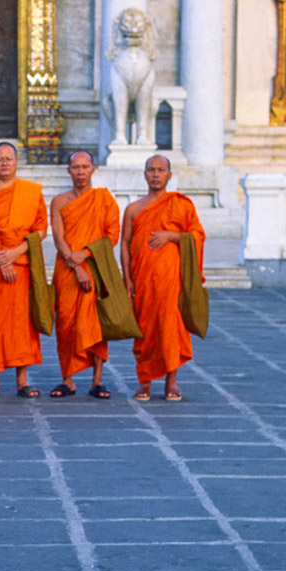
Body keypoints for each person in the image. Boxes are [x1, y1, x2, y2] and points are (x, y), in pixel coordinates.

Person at [121, 154, 205, 402]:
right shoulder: (133, 209)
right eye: (151, 170)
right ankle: (144, 381)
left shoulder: (181, 205)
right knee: (144, 329)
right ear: (144, 174)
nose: (156, 174)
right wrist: (127, 279)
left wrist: (172, 236)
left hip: (171, 280)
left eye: (161, 170)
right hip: (142, 279)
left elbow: (197, 235)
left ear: (169, 175)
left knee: (170, 327)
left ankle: (171, 380)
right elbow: (124, 245)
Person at [0, 141, 47, 398]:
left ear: (17, 162)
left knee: (22, 321)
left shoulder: (31, 192)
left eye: (8, 158)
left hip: (22, 260)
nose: (4, 163)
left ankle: (22, 380)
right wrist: (1, 258)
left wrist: (16, 253)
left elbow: (40, 230)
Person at [49, 150, 121, 399]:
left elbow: (111, 235)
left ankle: (97, 380)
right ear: (68, 170)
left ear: (93, 169)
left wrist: (86, 254)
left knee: (96, 323)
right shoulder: (59, 201)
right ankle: (67, 380)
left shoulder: (104, 199)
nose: (80, 172)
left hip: (97, 267)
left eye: (85, 166)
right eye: (75, 167)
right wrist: (77, 265)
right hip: (68, 269)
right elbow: (59, 239)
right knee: (66, 322)